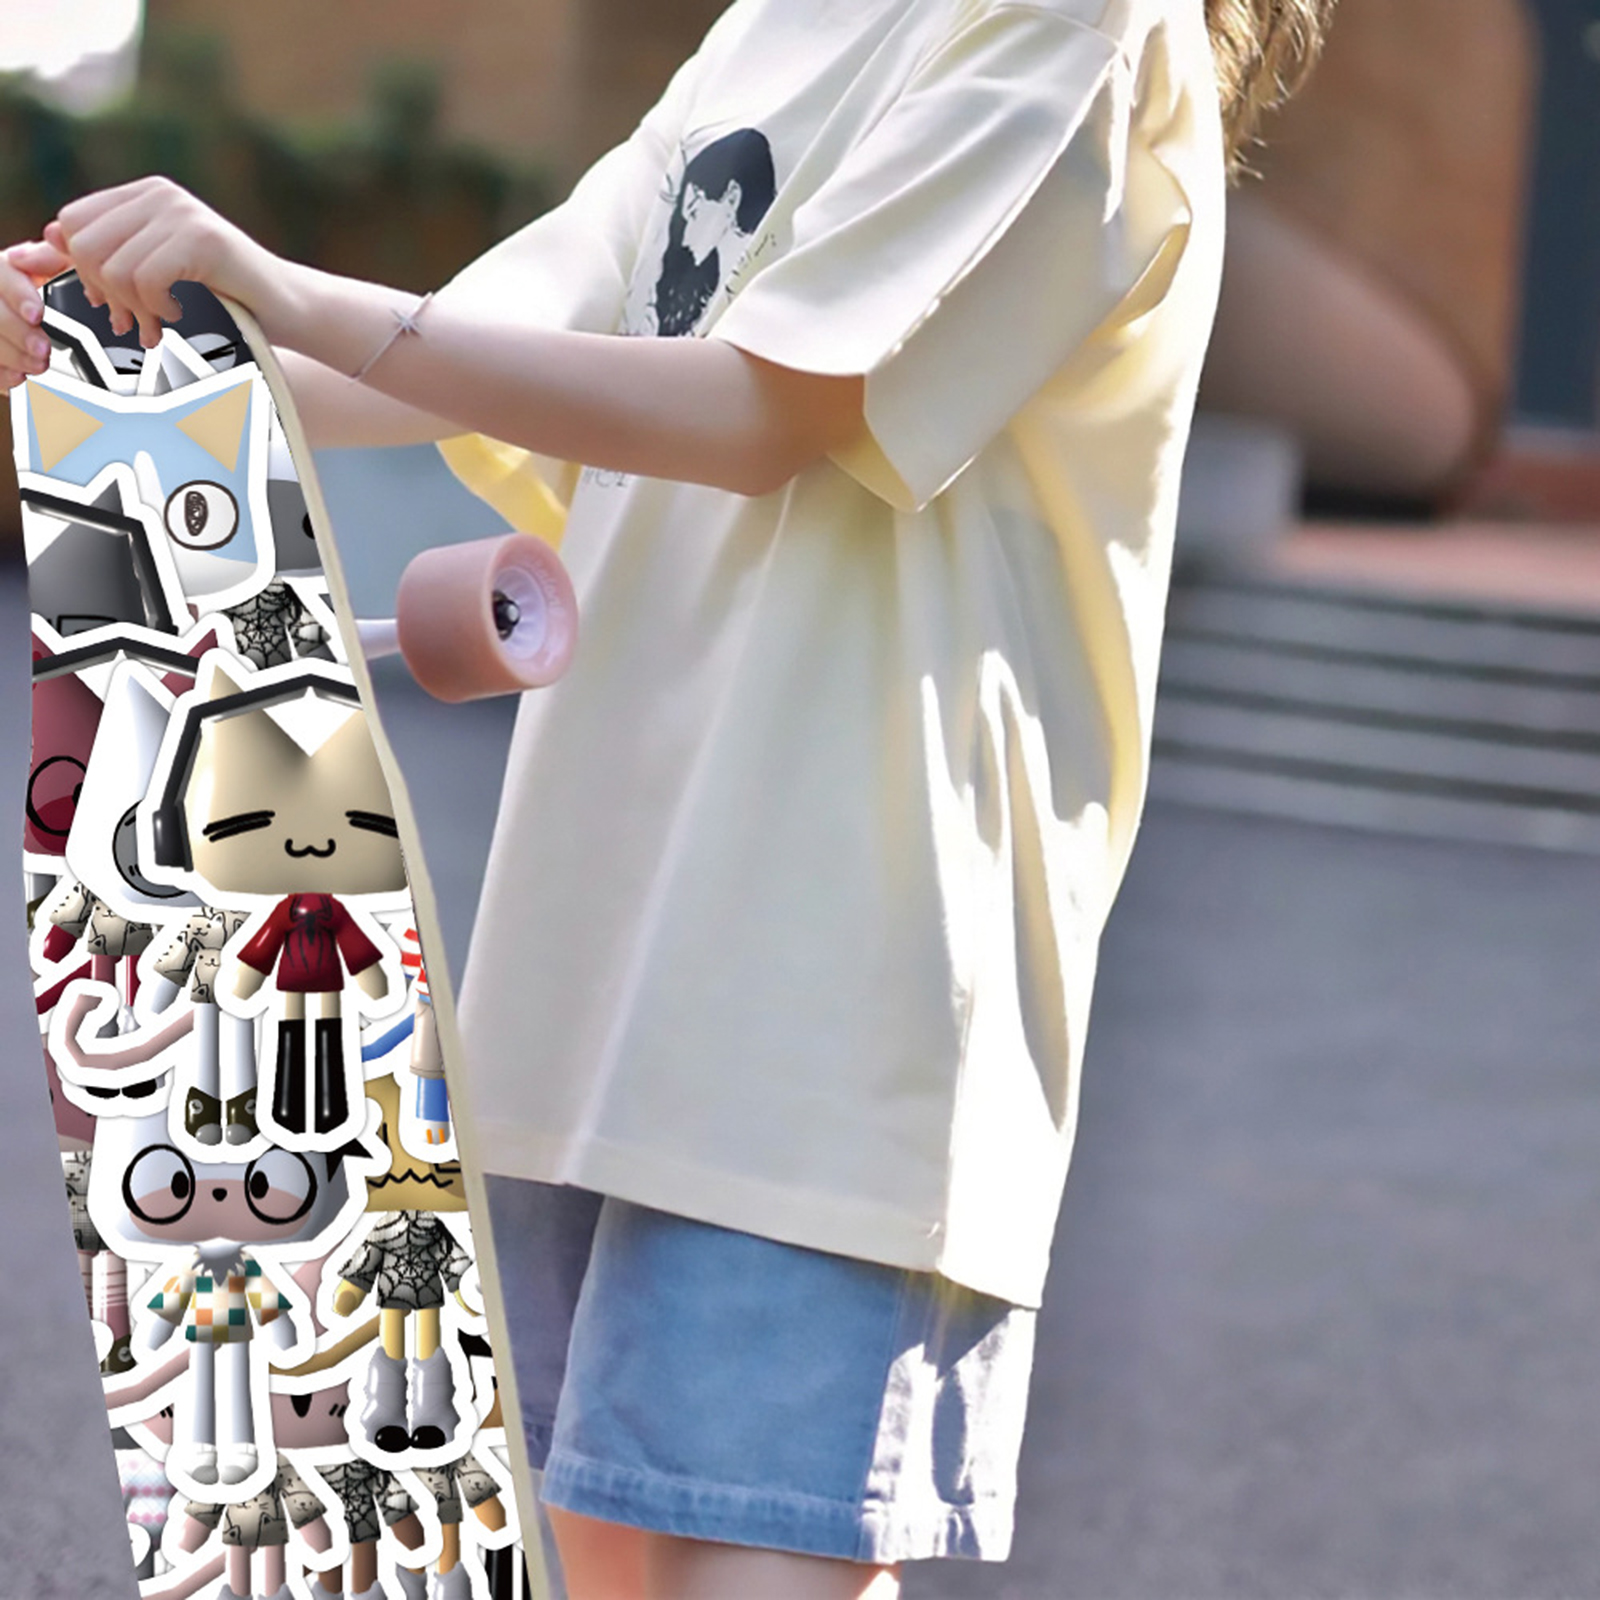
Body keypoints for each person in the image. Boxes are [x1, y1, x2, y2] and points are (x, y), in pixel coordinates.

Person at [0, 0, 1334, 1594]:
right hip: (594, 986)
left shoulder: (1072, 24)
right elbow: (464, 356)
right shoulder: (779, 21)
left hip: (833, 1015)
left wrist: (285, 295)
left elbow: (765, 411)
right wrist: (125, 360)